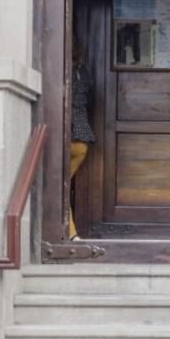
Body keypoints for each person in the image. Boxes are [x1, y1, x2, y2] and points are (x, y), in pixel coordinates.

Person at [68, 40, 95, 240]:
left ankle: (71, 233)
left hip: (65, 135)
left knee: (59, 188)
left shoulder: (62, 72)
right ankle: (71, 233)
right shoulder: (82, 72)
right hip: (82, 140)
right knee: (64, 186)